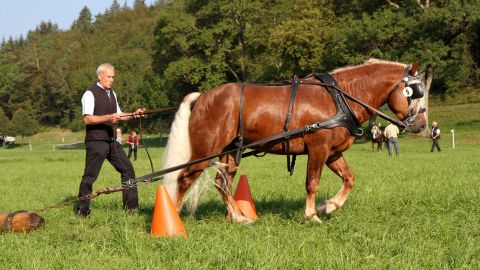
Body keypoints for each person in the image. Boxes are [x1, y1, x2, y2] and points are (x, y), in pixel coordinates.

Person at [77, 63, 145, 217]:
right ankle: (82, 210)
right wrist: (109, 117)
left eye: (113, 77)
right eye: (109, 77)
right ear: (100, 76)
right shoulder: (89, 94)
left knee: (127, 169)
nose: (112, 80)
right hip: (96, 141)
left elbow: (119, 115)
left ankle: (131, 209)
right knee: (90, 176)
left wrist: (135, 114)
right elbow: (87, 119)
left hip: (112, 141)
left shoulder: (112, 94)